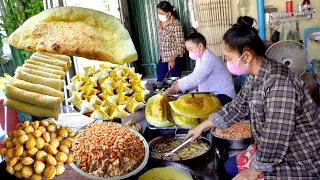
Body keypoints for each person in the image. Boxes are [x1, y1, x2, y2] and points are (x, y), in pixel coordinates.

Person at [185, 16, 320, 179]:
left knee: (232, 171)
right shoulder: (255, 76)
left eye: (229, 58)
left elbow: (275, 135)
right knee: (227, 167)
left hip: (298, 159)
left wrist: (254, 171)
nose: (227, 62)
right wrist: (203, 126)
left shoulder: (279, 82)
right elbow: (238, 106)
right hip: (273, 152)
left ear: (247, 56)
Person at [166, 28, 236, 105]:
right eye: (188, 50)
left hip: (224, 96)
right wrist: (180, 81)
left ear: (200, 46)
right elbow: (195, 74)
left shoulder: (209, 59)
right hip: (213, 94)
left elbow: (197, 77)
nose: (189, 52)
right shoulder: (200, 59)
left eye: (191, 49)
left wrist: (177, 87)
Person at [156, 1, 185, 82]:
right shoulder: (160, 24)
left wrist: (172, 58)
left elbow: (181, 46)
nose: (159, 15)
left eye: (161, 13)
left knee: (175, 83)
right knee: (160, 82)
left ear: (168, 14)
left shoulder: (176, 25)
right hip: (163, 58)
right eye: (158, 13)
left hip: (174, 60)